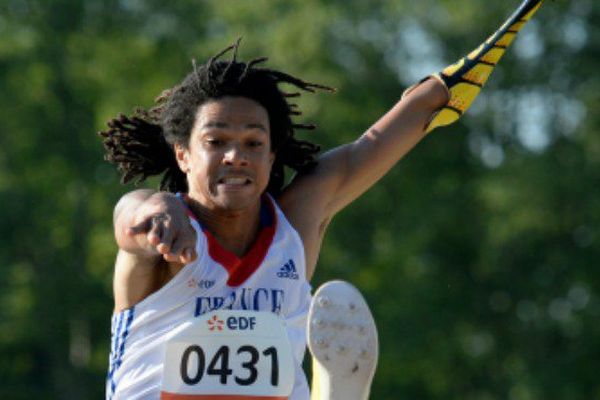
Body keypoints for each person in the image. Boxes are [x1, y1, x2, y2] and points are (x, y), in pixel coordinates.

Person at [100, 1, 544, 398]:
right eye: (216, 141)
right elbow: (130, 216)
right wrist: (160, 210)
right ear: (183, 154)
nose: (236, 156)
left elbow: (373, 144)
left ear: (272, 156)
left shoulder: (293, 225)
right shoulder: (159, 238)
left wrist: (446, 87)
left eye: (254, 143)